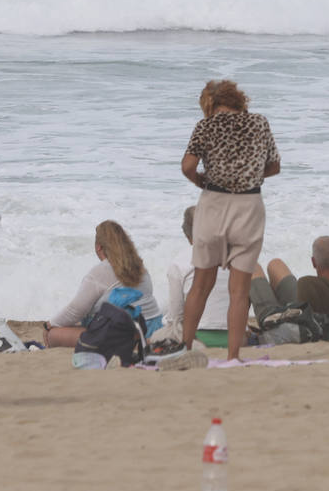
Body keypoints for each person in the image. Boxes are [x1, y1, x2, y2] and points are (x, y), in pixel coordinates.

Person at [180, 79, 280, 362]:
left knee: (201, 284)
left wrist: (200, 179)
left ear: (209, 105)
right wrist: (248, 175)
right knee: (239, 290)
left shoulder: (206, 126)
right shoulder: (259, 123)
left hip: (213, 204)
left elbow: (187, 166)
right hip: (248, 206)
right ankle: (233, 357)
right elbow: (274, 166)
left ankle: (185, 350)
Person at [42, 220, 162, 348]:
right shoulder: (140, 267)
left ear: (98, 246)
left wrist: (49, 324)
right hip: (152, 327)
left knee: (53, 335)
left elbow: (75, 310)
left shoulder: (101, 271)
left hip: (118, 335)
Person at [254, 236, 329, 332]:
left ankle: (242, 330)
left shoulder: (307, 284)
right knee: (276, 264)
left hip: (290, 324)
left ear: (314, 262)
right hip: (302, 314)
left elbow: (299, 322)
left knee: (251, 268)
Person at [163, 206, 232, 349]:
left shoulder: (179, 262)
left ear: (188, 235)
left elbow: (175, 317)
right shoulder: (233, 257)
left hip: (197, 339)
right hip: (236, 338)